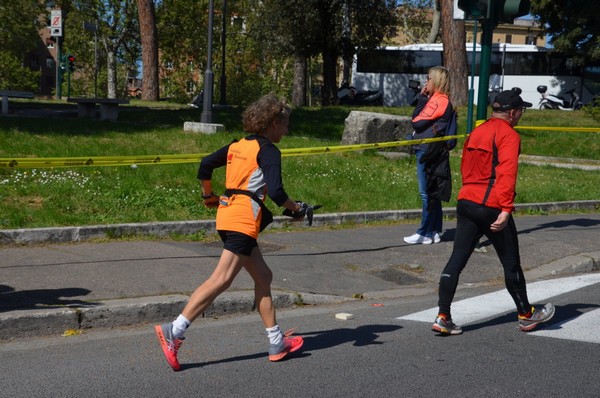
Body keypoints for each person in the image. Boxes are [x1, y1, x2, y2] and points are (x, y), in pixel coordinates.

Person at [155, 94, 306, 371]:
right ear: (273, 123)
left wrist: (208, 195)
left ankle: (276, 342)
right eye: (285, 124)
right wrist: (296, 209)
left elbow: (205, 164)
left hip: (226, 214)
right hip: (243, 219)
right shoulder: (269, 150)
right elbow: (276, 192)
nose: (286, 130)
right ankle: (174, 331)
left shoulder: (237, 145)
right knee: (221, 279)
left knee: (264, 275)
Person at [431, 90, 555, 335]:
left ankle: (443, 315)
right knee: (510, 262)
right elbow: (507, 173)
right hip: (491, 204)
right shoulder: (508, 134)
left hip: (467, 200)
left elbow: (466, 166)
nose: (521, 115)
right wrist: (506, 209)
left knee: (457, 259)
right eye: (521, 111)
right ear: (512, 113)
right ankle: (526, 314)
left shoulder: (477, 131)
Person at [404, 66, 455, 245]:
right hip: (430, 148)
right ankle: (434, 231)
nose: (426, 82)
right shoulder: (434, 99)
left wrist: (422, 99)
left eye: (428, 79)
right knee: (433, 193)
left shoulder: (439, 101)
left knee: (426, 193)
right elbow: (417, 117)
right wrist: (423, 98)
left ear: (436, 81)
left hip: (427, 149)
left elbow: (417, 122)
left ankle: (424, 232)